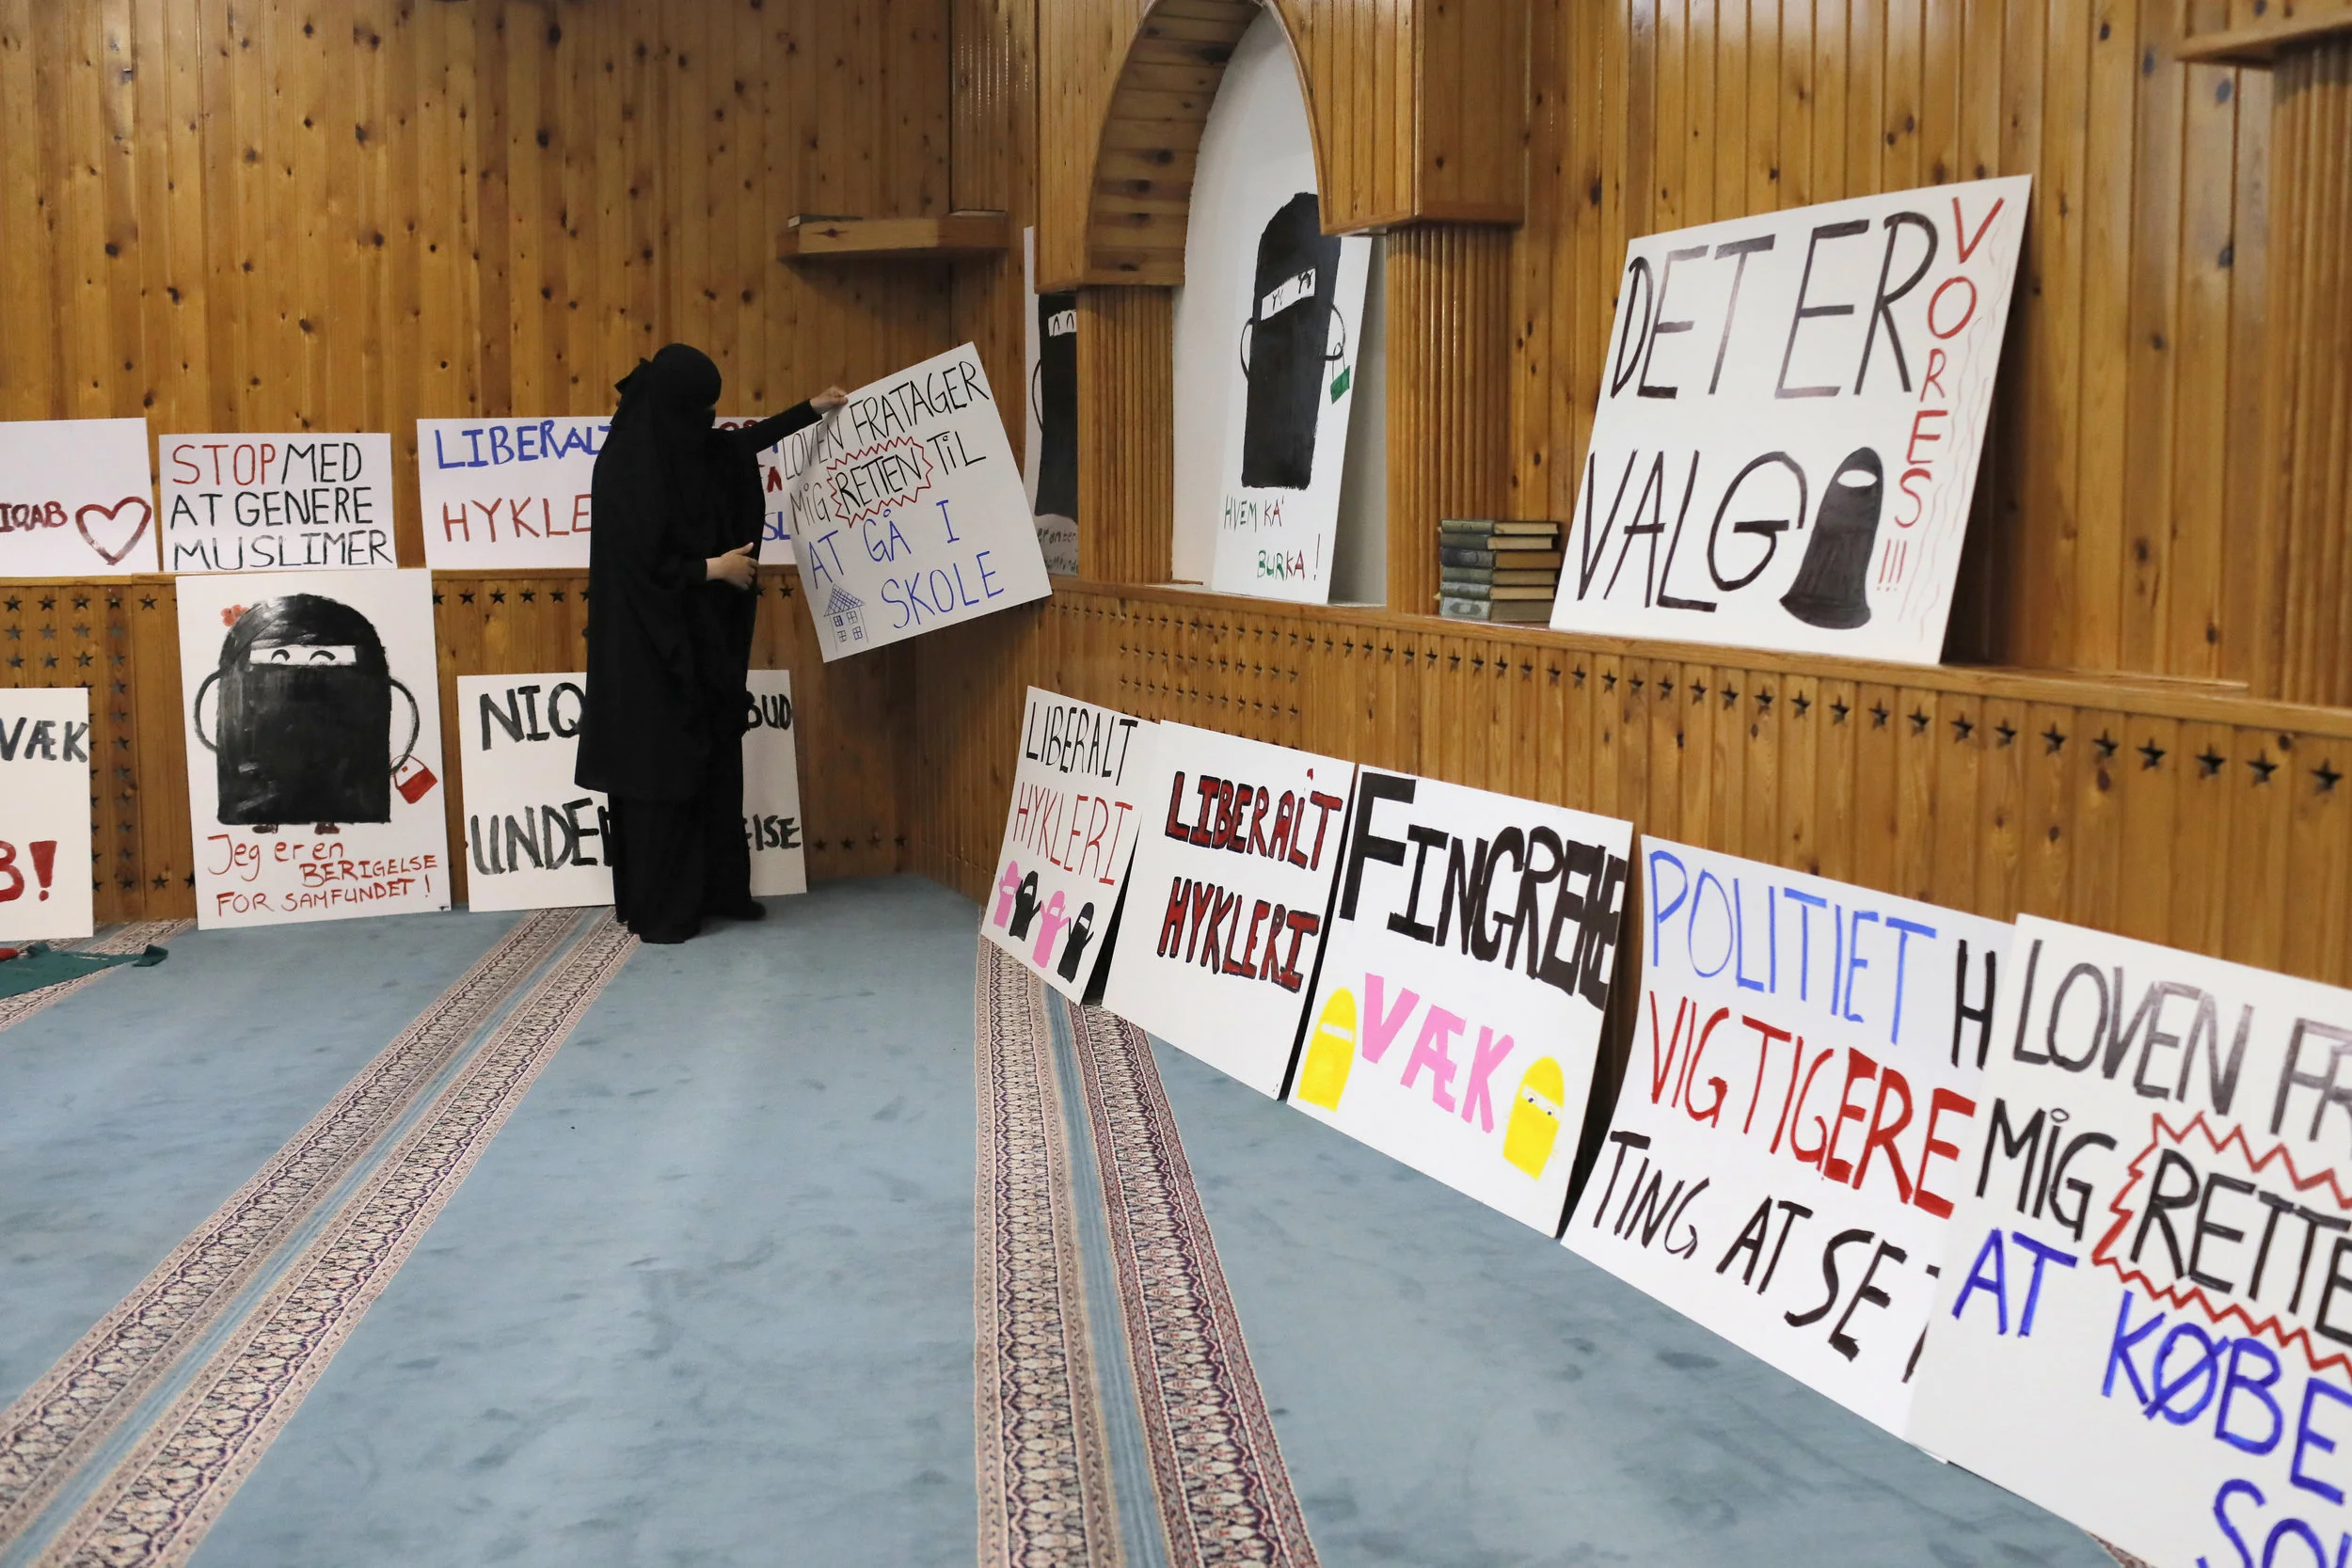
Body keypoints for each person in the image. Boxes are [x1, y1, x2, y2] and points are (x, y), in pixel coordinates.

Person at [575, 342, 847, 943]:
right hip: (642, 657)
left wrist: (811, 408)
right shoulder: (625, 468)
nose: (706, 423)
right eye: (698, 409)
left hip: (692, 649)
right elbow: (636, 568)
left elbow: (735, 448)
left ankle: (717, 890)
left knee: (712, 765)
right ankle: (664, 908)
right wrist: (711, 569)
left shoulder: (678, 446)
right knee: (660, 777)